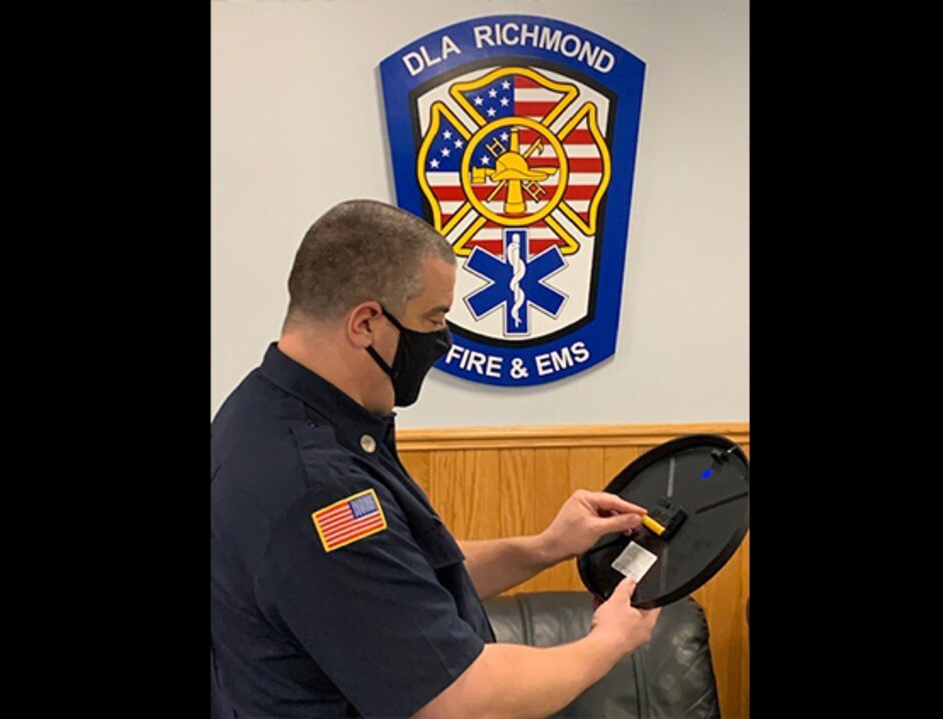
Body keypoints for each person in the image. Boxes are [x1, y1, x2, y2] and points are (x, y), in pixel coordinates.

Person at [211, 199, 661, 718]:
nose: (441, 340)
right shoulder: (317, 489)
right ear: (365, 324)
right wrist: (609, 643)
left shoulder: (263, 411)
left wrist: (544, 547)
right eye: (433, 318)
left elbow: (397, 577)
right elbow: (460, 699)